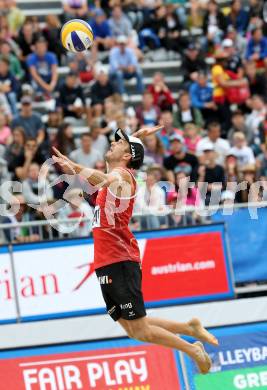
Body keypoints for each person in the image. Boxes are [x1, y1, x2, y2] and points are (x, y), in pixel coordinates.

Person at [53, 124, 217, 375]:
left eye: (119, 143)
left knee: (139, 329)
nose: (112, 143)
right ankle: (189, 328)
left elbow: (108, 177)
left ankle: (192, 349)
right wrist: (135, 138)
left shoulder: (123, 177)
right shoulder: (118, 169)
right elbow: (115, 165)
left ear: (127, 156)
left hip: (120, 259)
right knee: (132, 327)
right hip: (106, 260)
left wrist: (74, 167)